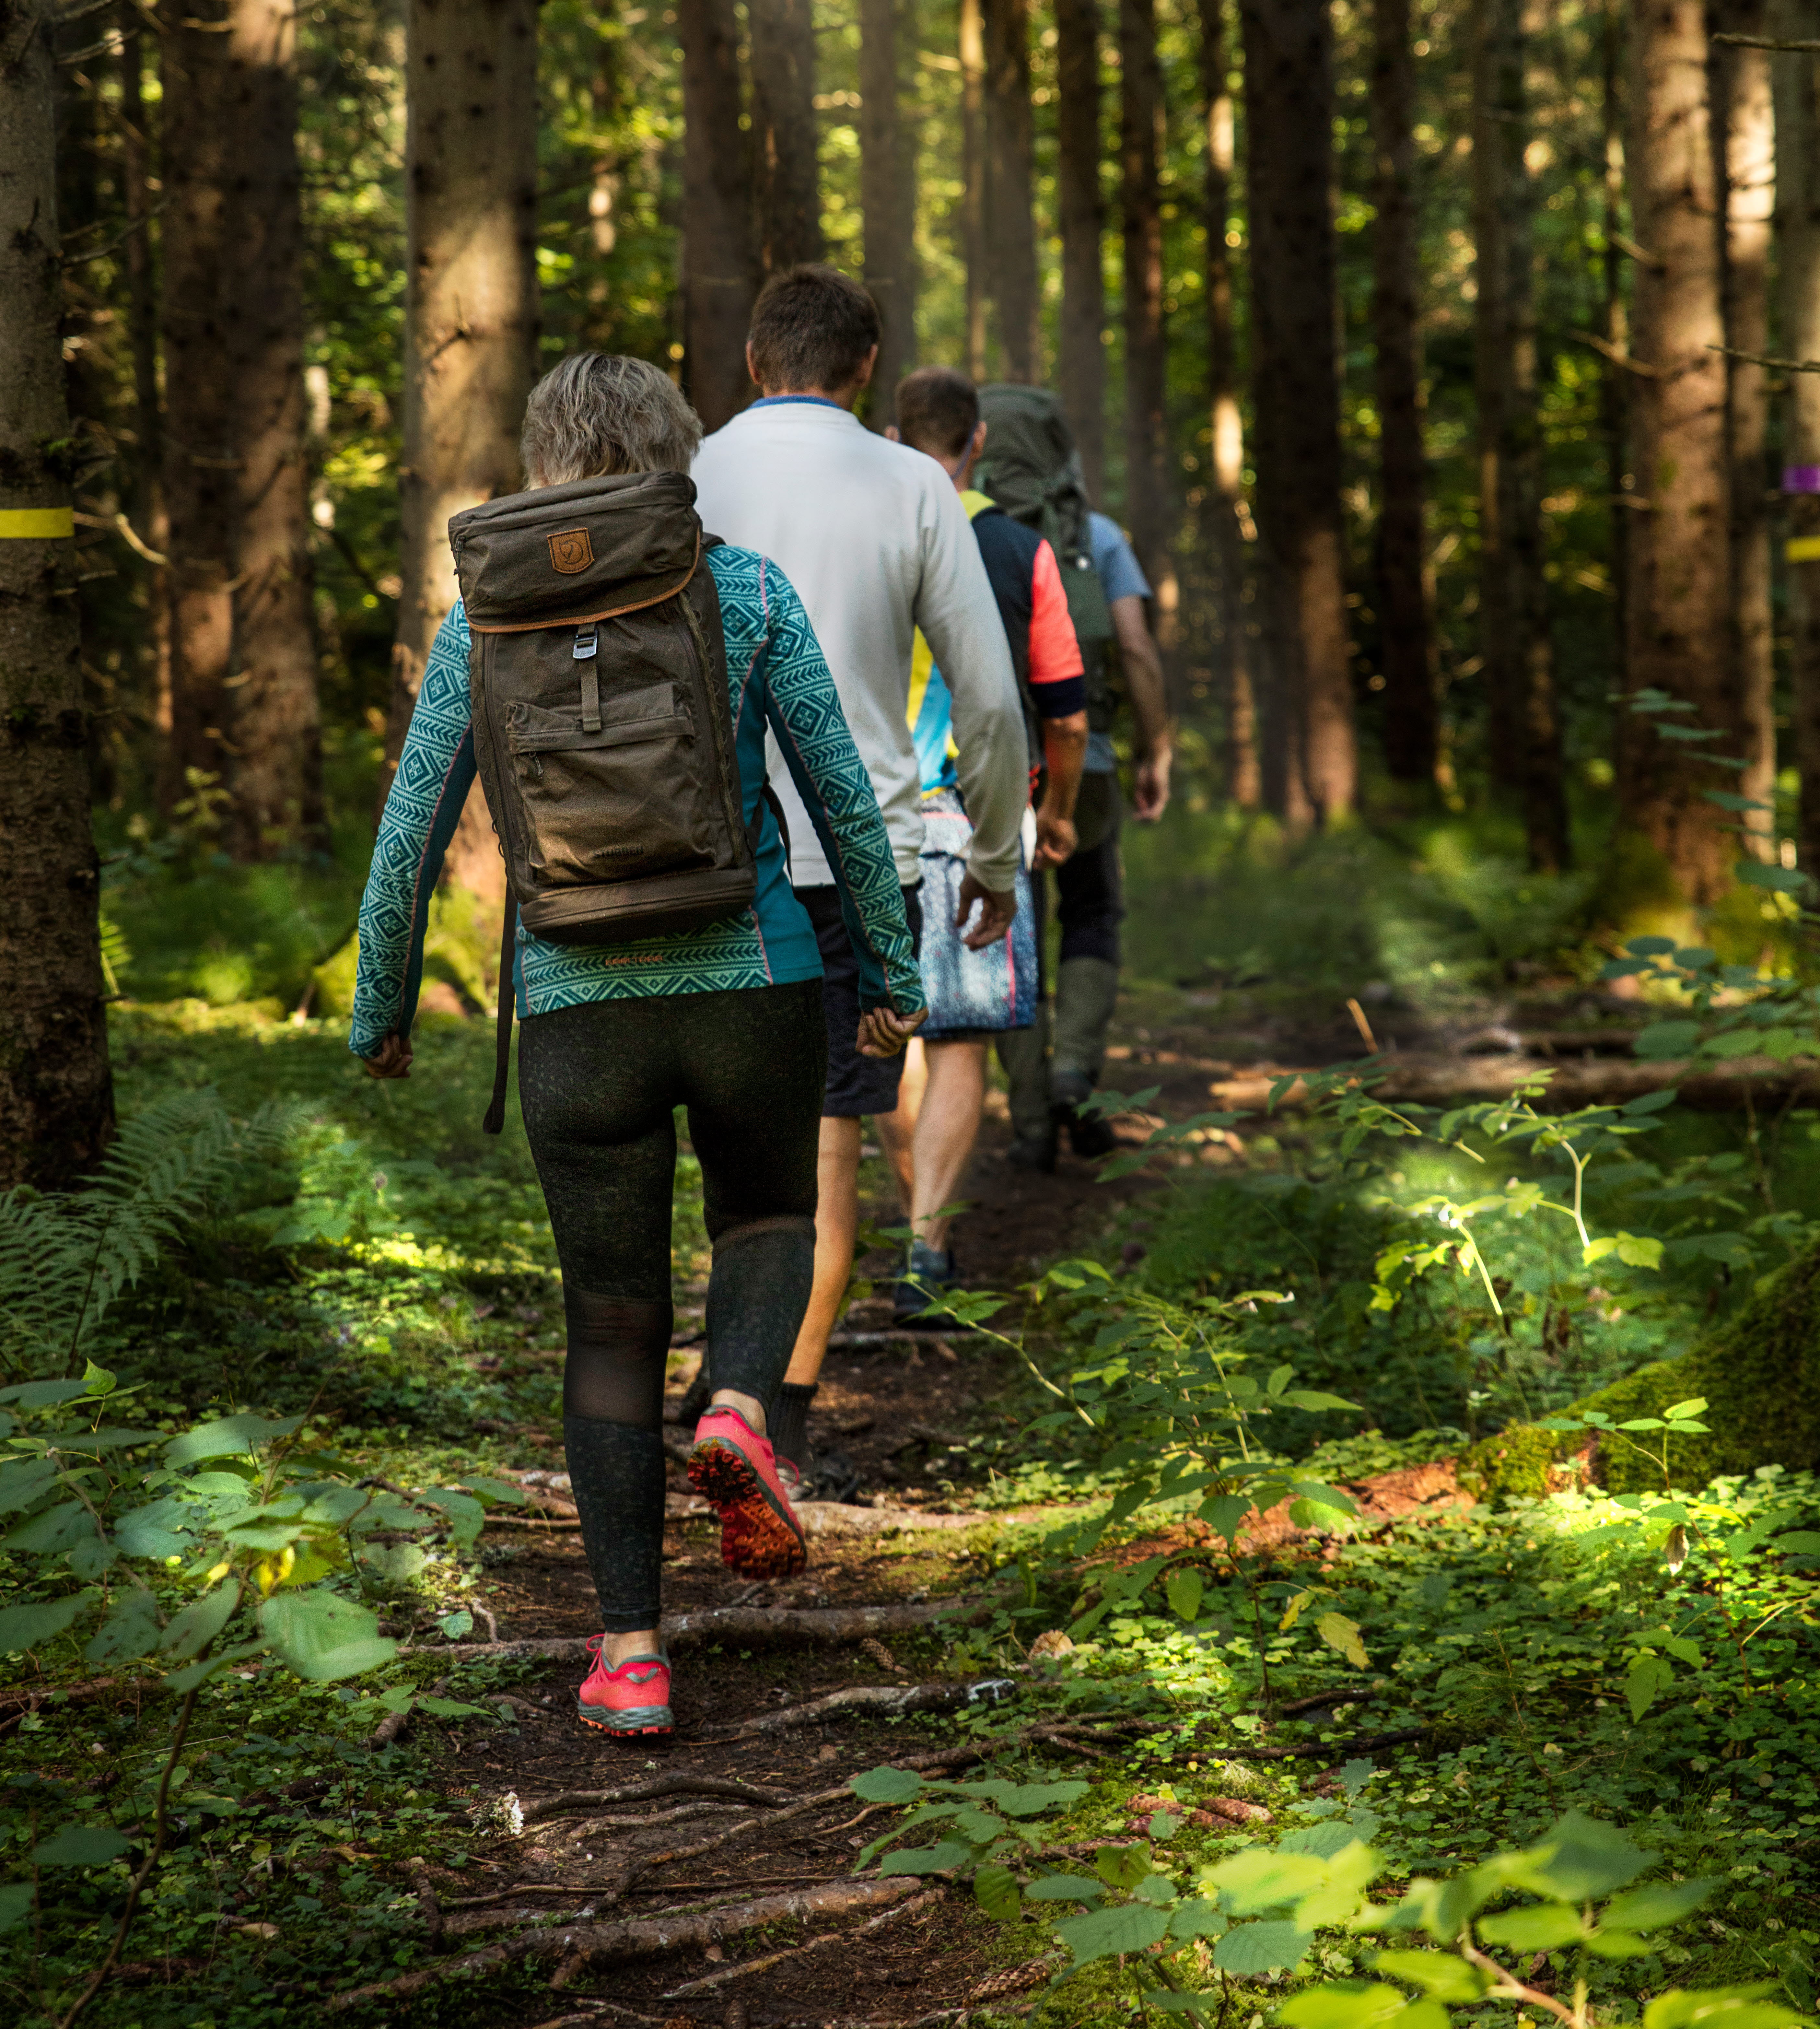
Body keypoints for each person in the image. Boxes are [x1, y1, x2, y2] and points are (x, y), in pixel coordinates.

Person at [348, 353, 926, 1737]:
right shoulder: (742, 590)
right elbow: (841, 794)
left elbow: (408, 832)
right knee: (768, 1215)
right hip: (755, 985)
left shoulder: (482, 624)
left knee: (608, 1319)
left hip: (574, 1014)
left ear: (547, 464)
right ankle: (736, 1403)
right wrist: (891, 974)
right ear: (681, 458)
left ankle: (631, 1652)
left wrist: (381, 1007)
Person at [691, 267, 1028, 1492]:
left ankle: (718, 1369)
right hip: (856, 864)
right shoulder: (913, 488)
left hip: (702, 861)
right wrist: (994, 857)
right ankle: (771, 1427)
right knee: (822, 1163)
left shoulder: (687, 474)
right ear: (868, 367)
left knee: (728, 1143)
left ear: (748, 358)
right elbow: (987, 702)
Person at [877, 366, 1089, 1322]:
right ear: (977, 447)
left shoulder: (860, 533)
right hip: (973, 817)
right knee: (958, 1039)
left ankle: (909, 1226)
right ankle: (929, 1242)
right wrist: (1062, 811)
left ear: (892, 434)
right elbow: (1066, 711)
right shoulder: (1018, 547)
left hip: (864, 818)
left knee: (886, 1031)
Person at [974, 385, 1174, 1171]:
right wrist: (1154, 747)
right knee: (1092, 911)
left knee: (1008, 934)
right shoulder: (1096, 536)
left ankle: (1028, 1126)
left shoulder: (973, 533)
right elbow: (1137, 650)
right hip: (1083, 754)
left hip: (992, 767)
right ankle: (1075, 1075)